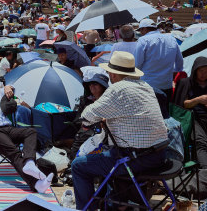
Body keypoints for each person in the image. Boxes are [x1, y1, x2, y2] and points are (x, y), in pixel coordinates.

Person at [71, 51, 168, 209]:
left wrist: (93, 121)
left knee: (78, 165)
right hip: (160, 154)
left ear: (113, 74)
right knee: (107, 158)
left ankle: (87, 208)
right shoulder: (146, 86)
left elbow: (87, 116)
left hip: (135, 158)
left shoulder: (118, 89)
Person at [0, 72, 53, 193]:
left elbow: (11, 87)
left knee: (30, 131)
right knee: (14, 152)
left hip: (7, 128)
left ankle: (29, 162)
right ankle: (36, 184)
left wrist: (7, 87)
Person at [135, 18, 183, 103]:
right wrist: (173, 73)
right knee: (166, 113)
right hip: (166, 84)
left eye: (141, 31)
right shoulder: (171, 39)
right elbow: (179, 61)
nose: (141, 33)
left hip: (148, 86)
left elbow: (137, 64)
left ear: (144, 29)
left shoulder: (143, 40)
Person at [173, 56, 207, 167]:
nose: (203, 74)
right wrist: (198, 100)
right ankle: (205, 170)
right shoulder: (186, 83)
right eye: (201, 71)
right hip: (194, 119)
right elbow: (183, 104)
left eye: (206, 72)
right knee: (200, 142)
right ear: (195, 70)